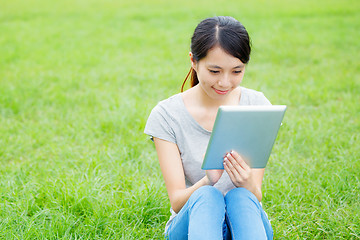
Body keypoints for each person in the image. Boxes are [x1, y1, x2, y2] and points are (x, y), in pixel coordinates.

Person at [144, 16, 273, 239]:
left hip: (243, 224)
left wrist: (246, 182)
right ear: (193, 61)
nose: (225, 83)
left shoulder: (256, 105)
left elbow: (256, 196)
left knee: (240, 197)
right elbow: (176, 202)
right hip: (192, 224)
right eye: (215, 71)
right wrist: (208, 181)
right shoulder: (167, 115)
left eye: (236, 71)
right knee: (207, 196)